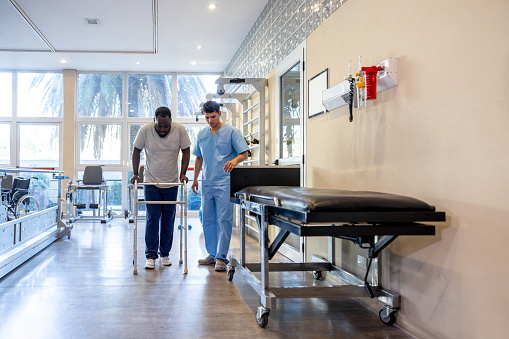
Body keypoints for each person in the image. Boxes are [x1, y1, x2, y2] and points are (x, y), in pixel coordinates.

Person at [191, 100, 249, 271]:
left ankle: (221, 257)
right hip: (207, 182)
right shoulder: (202, 134)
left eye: (213, 117)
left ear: (219, 114)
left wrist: (234, 160)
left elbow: (244, 153)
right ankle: (212, 254)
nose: (210, 120)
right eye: (207, 117)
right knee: (207, 219)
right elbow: (199, 158)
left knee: (223, 219)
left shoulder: (231, 132)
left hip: (224, 182)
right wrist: (195, 179)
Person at [131, 106, 191, 269]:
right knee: (152, 218)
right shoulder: (145, 130)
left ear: (171, 121)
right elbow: (136, 151)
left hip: (171, 182)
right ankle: (151, 255)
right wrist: (136, 174)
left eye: (166, 126)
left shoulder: (179, 130)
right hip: (151, 182)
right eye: (160, 126)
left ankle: (165, 254)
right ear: (154, 121)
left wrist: (183, 173)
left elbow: (186, 151)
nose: (163, 129)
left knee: (168, 219)